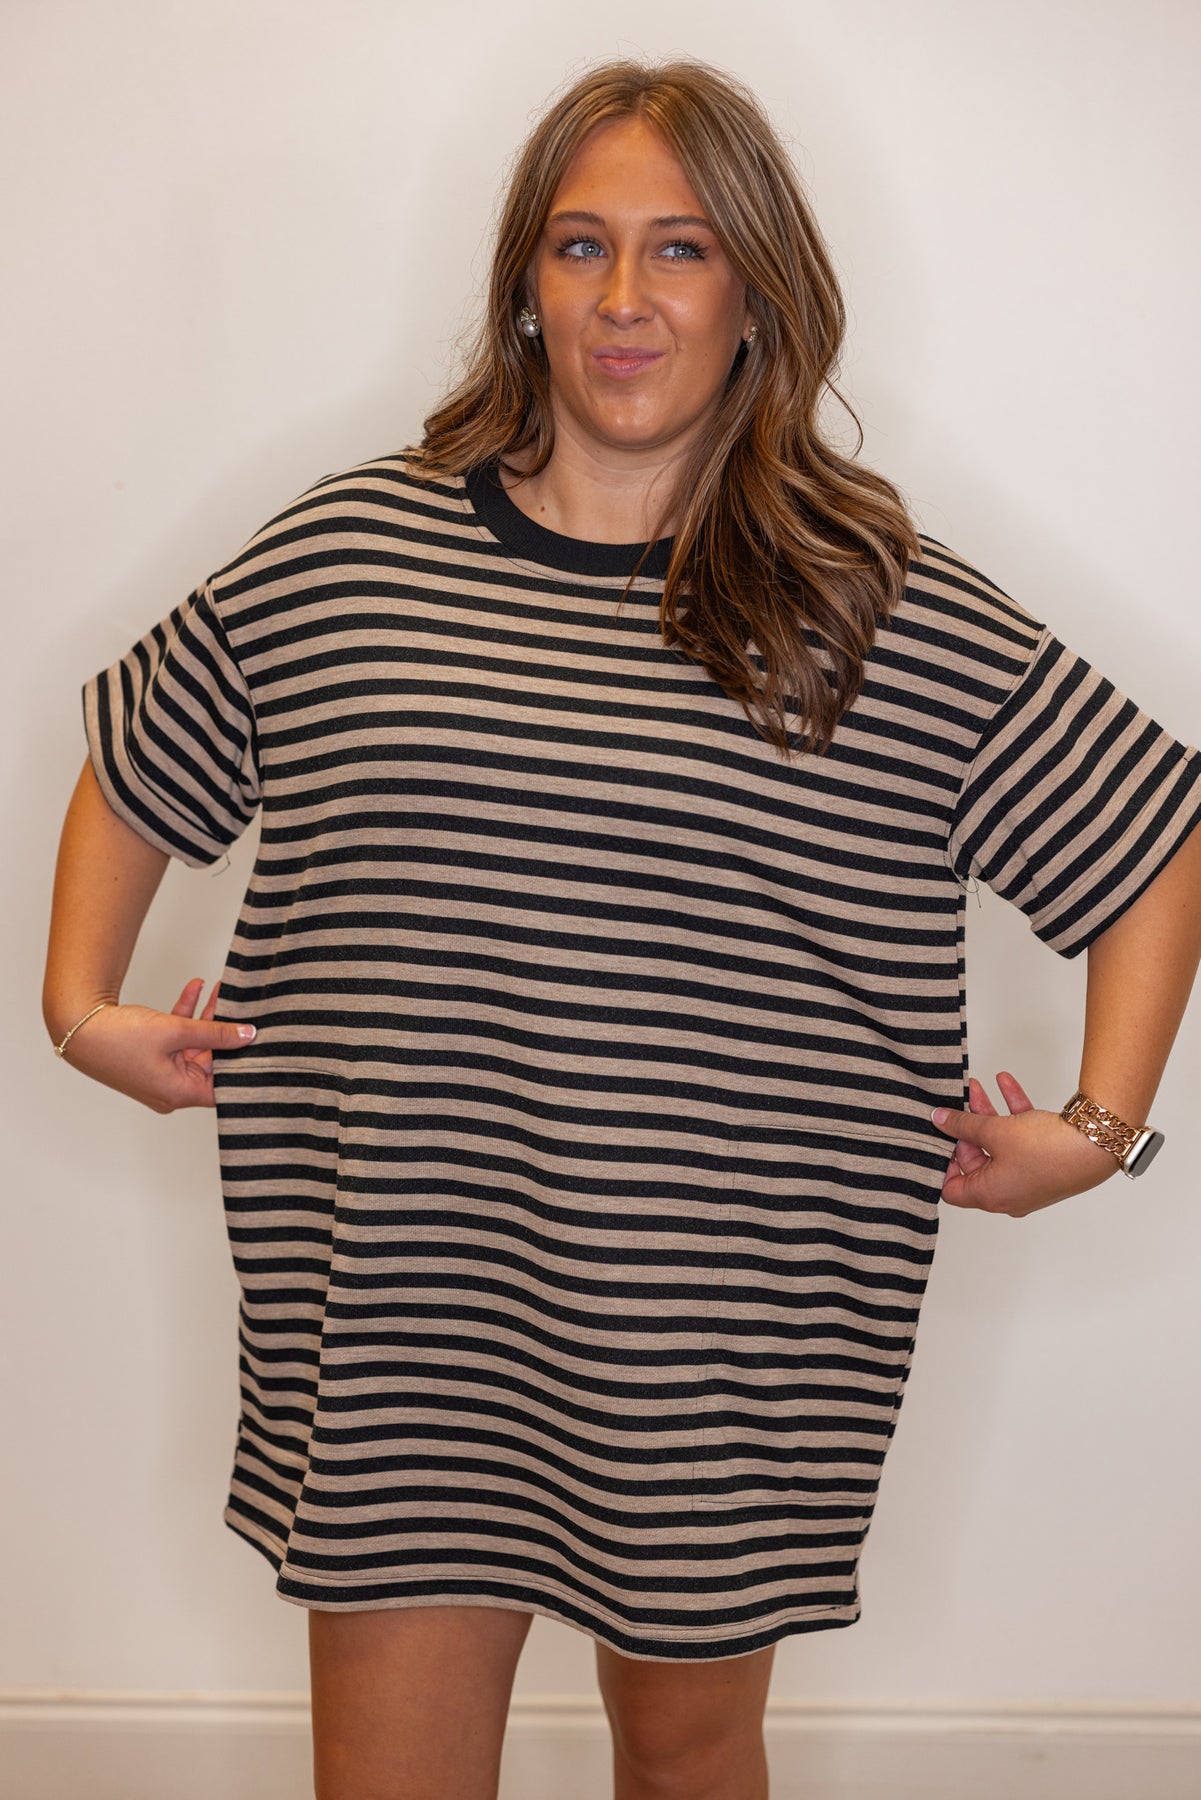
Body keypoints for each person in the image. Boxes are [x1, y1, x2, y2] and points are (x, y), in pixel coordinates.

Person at [43, 53, 1201, 1800]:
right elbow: (144, 760)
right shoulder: (352, 559)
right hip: (403, 1305)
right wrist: (79, 1006)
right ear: (525, 283)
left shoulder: (858, 601)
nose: (625, 297)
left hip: (722, 1329)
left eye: (680, 248)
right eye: (580, 246)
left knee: (681, 1762)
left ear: (754, 290)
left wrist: (1099, 1132)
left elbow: (1150, 838)